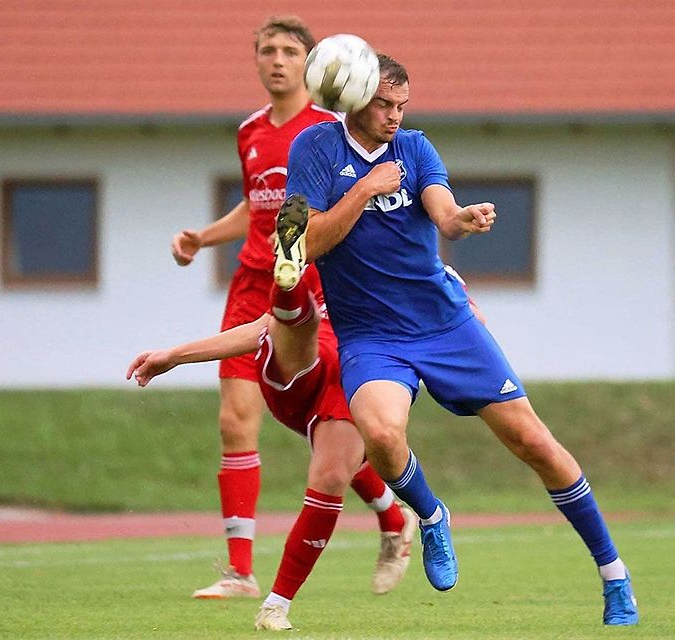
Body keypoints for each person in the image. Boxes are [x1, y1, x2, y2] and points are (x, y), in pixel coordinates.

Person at [282, 54, 640, 625]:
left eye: (403, 106)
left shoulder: (417, 149)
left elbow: (443, 214)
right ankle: (431, 516)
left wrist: (463, 218)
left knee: (534, 443)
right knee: (378, 431)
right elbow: (303, 243)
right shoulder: (313, 152)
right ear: (354, 99)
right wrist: (366, 190)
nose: (396, 117)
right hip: (371, 335)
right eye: (385, 106)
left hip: (445, 325)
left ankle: (614, 576)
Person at [127, 204, 419, 630]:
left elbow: (444, 309)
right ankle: (291, 292)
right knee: (292, 328)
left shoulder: (395, 262)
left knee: (332, 474)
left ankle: (275, 605)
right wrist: (173, 355)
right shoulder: (333, 260)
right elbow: (256, 329)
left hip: (359, 372)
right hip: (300, 371)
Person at [168, 16, 342, 599]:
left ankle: (392, 518)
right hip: (250, 282)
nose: (276, 60)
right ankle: (240, 572)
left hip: (310, 287)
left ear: (309, 64)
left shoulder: (330, 131)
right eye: (267, 50)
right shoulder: (248, 131)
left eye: (290, 51)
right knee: (234, 420)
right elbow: (254, 205)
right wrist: (201, 238)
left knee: (324, 423)